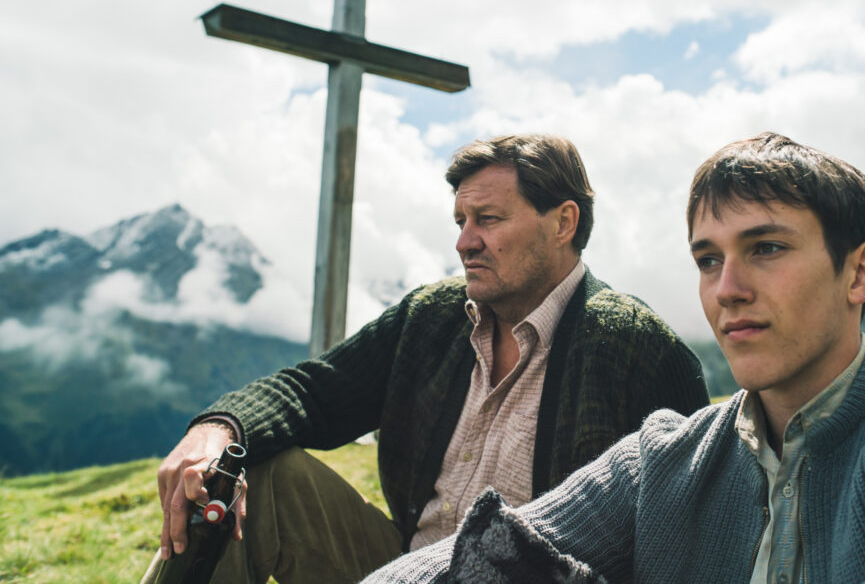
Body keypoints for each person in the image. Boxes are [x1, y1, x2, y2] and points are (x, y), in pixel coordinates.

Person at [368, 132, 865, 583]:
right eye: (708, 259)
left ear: (860, 273)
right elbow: (472, 557)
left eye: (765, 247)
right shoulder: (665, 459)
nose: (726, 288)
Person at [142, 134, 709, 583]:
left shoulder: (636, 347)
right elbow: (315, 392)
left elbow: (686, 535)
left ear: (563, 222)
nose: (464, 241)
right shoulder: (434, 316)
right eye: (460, 222)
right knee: (254, 468)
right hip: (397, 570)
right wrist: (217, 430)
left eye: (487, 219)